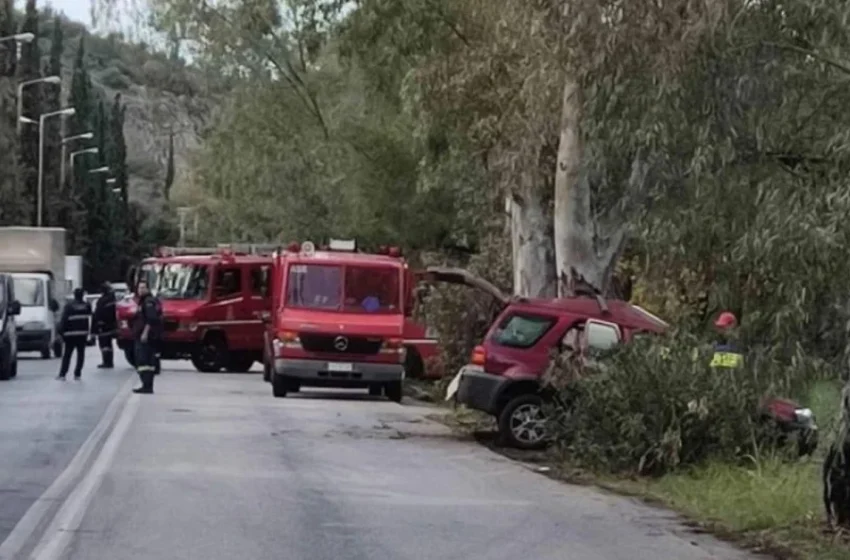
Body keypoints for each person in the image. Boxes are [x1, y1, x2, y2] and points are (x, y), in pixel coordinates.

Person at [132, 280, 162, 394]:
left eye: (143, 287)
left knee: (143, 361)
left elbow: (151, 319)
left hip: (146, 337)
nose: (141, 290)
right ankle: (146, 385)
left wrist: (145, 333)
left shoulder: (148, 302)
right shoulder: (144, 301)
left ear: (148, 289)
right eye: (139, 288)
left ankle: (147, 385)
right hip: (145, 336)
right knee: (146, 363)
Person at [57, 288, 92, 380]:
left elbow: (64, 320)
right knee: (81, 355)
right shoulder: (87, 306)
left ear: (74, 295)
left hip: (70, 335)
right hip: (82, 334)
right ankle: (77, 374)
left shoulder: (69, 306)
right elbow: (90, 319)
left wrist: (60, 332)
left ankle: (62, 374)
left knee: (67, 355)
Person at [93, 282, 117, 368]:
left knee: (104, 345)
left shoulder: (102, 300)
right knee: (109, 344)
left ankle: (106, 362)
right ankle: (110, 361)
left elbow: (97, 314)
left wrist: (95, 326)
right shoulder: (113, 299)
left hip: (103, 326)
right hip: (111, 325)